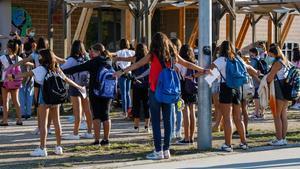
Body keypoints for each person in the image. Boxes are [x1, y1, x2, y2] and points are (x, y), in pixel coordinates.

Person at [114, 32, 210, 160]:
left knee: (156, 122)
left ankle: (158, 150)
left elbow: (137, 64)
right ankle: (166, 150)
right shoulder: (172, 55)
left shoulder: (152, 55)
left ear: (154, 43)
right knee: (168, 121)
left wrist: (121, 71)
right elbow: (187, 64)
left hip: (155, 91)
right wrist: (202, 70)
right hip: (169, 91)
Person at [11, 49, 83, 156]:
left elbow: (25, 74)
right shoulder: (56, 68)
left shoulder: (40, 69)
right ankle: (59, 147)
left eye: (40, 56)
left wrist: (12, 76)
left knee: (43, 123)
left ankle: (42, 148)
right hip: (56, 98)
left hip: (44, 98)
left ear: (43, 58)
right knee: (57, 122)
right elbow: (67, 79)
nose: (38, 58)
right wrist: (79, 87)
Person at [210, 41, 259, 152]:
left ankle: (228, 144)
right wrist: (257, 73)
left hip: (225, 87)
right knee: (238, 117)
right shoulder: (238, 59)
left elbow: (209, 71)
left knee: (227, 118)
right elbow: (249, 69)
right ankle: (244, 143)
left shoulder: (221, 60)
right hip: (237, 88)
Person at [63, 43, 113, 146]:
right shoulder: (109, 61)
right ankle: (106, 140)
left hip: (95, 91)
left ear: (98, 52)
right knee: (106, 115)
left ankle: (96, 140)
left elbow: (77, 69)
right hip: (107, 91)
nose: (90, 53)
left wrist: (61, 71)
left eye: (92, 51)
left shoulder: (93, 62)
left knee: (97, 116)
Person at [61, 40, 93, 140]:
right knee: (87, 110)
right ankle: (89, 132)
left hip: (75, 86)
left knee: (77, 111)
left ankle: (75, 133)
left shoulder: (71, 60)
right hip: (86, 85)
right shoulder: (86, 58)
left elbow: (61, 70)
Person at [267, 46, 289, 146]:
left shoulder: (277, 63)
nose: (268, 56)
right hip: (286, 89)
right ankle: (283, 138)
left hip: (278, 90)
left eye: (269, 55)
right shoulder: (285, 61)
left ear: (274, 54)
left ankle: (279, 139)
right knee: (283, 115)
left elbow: (269, 78)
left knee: (277, 115)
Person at [176, 44, 198, 144]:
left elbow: (176, 74)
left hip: (183, 88)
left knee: (185, 113)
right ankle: (192, 137)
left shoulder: (180, 63)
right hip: (193, 87)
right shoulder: (195, 62)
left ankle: (186, 137)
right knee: (193, 112)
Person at [0, 40, 23, 126]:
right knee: (16, 101)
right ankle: (19, 120)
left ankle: (5, 120)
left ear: (9, 48)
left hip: (5, 81)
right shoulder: (19, 58)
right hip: (15, 81)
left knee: (5, 101)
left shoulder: (3, 58)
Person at [113, 39, 135, 118]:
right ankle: (129, 111)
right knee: (128, 93)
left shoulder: (119, 52)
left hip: (121, 73)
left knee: (123, 93)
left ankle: (124, 112)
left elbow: (114, 58)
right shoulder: (131, 52)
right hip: (129, 73)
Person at [171, 38, 183, 139]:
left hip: (172, 88)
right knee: (179, 109)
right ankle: (179, 130)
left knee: (172, 110)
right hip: (180, 88)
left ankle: (173, 131)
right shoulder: (181, 58)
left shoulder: (172, 58)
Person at [19, 39, 35, 119]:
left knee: (22, 94)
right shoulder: (33, 55)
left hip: (22, 76)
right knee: (29, 95)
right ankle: (28, 113)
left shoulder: (22, 55)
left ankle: (22, 112)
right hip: (31, 76)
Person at [249, 48, 264, 119]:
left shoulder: (253, 61)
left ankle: (256, 113)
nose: (249, 54)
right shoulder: (259, 59)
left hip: (256, 81)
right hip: (260, 80)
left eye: (250, 53)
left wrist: (257, 79)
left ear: (254, 53)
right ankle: (261, 113)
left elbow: (251, 72)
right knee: (260, 97)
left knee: (256, 97)